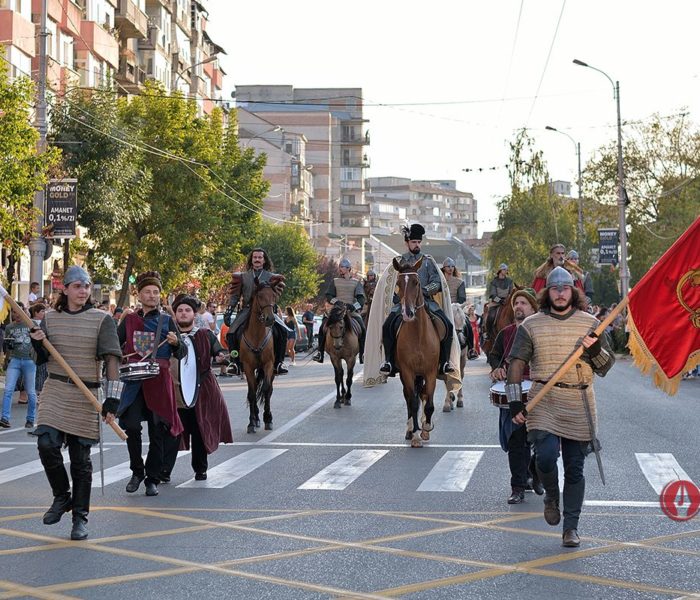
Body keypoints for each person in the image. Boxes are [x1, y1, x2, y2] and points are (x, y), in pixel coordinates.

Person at [507, 266, 615, 548]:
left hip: (579, 401)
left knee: (575, 467)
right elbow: (516, 363)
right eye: (555, 288)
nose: (559, 293)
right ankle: (552, 494)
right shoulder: (531, 324)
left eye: (564, 288)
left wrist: (593, 350)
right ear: (547, 292)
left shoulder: (591, 323)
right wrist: (516, 401)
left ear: (573, 291)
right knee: (543, 457)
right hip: (544, 399)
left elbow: (605, 367)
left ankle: (571, 528)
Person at [28, 266, 122, 541]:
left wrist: (112, 398)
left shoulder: (101, 320)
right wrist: (37, 343)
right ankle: (61, 496)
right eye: (78, 286)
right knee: (46, 443)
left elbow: (113, 359)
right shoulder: (51, 319)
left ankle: (80, 518)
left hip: (86, 394)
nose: (83, 291)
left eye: (86, 286)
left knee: (81, 461)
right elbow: (44, 358)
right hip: (56, 388)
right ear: (65, 289)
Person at [116, 271, 185, 497]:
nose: (152, 295)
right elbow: (114, 347)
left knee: (158, 431)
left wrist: (176, 344)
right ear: (139, 294)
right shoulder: (128, 319)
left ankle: (152, 478)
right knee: (132, 426)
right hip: (134, 383)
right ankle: (137, 471)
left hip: (159, 382)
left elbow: (182, 352)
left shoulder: (168, 321)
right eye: (148, 292)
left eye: (156, 292)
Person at [161, 294, 233, 482]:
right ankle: (164, 471)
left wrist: (220, 357)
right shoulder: (168, 337)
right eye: (180, 311)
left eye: (187, 310)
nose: (184, 314)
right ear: (175, 315)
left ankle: (200, 469)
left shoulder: (204, 334)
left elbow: (217, 350)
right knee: (173, 432)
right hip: (175, 391)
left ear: (194, 314)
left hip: (202, 390)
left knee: (200, 429)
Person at [487, 288, 543, 504]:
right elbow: (494, 355)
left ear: (533, 308)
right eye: (516, 303)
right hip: (514, 392)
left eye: (523, 303)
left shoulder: (540, 332)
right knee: (516, 441)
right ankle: (517, 486)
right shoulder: (507, 333)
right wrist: (496, 368)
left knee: (543, 441)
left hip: (539, 392)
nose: (518, 307)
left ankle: (534, 471)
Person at [380, 224, 455, 376]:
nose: (417, 245)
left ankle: (445, 362)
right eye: (414, 242)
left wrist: (425, 290)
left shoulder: (428, 261)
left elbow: (437, 281)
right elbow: (390, 285)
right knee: (387, 325)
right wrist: (398, 298)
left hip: (426, 302)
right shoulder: (398, 262)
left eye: (419, 242)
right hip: (404, 303)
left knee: (448, 325)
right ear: (407, 243)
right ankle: (389, 361)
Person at [223, 248, 288, 376]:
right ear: (251, 260)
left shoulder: (271, 277)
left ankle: (279, 363)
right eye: (255, 257)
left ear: (264, 260)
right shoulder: (242, 277)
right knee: (231, 332)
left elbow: (275, 296)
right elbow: (235, 296)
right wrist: (229, 310)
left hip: (266, 310)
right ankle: (234, 363)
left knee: (283, 331)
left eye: (260, 257)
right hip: (247, 310)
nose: (257, 260)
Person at [313, 258, 366, 364]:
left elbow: (361, 299)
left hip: (351, 311)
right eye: (340, 267)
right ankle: (320, 353)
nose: (340, 269)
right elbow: (328, 295)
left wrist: (353, 306)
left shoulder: (356, 282)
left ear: (348, 269)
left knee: (362, 328)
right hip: (336, 310)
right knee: (323, 326)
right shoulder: (335, 281)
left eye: (343, 267)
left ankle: (363, 354)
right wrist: (336, 302)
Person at [1, 302, 38, 429]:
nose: (17, 315)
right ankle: (5, 418)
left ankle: (30, 418)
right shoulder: (9, 327)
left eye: (19, 311)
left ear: (24, 311)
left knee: (31, 392)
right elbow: (8, 346)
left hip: (29, 361)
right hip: (14, 360)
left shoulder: (31, 323)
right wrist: (6, 360)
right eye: (14, 312)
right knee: (8, 389)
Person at [484, 264, 514, 337]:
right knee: (491, 316)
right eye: (504, 269)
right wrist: (500, 301)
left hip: (507, 302)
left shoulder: (509, 281)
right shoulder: (494, 282)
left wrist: (508, 299)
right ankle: (489, 333)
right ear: (500, 271)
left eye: (506, 270)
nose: (506, 271)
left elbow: (511, 292)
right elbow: (493, 295)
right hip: (496, 303)